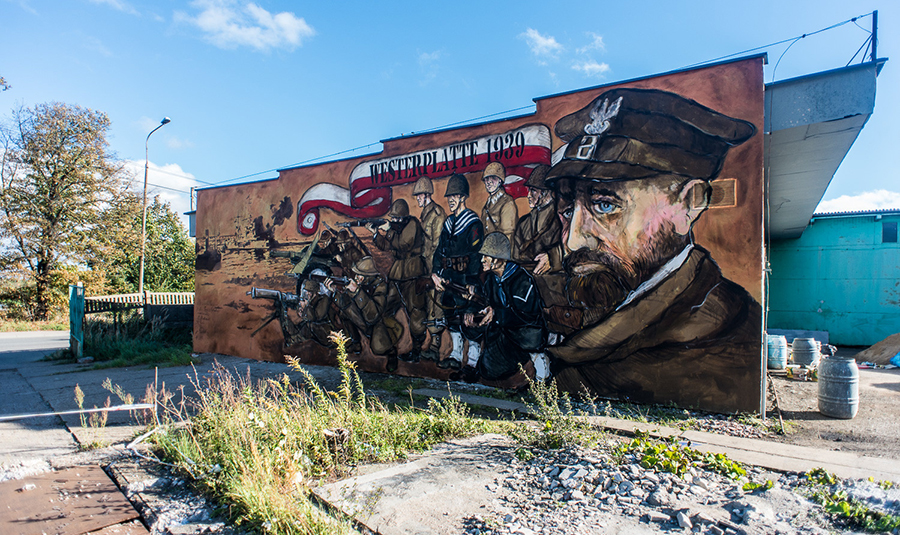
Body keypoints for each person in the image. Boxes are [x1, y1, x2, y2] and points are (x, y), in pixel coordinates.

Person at [544, 87, 762, 413]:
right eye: (567, 211)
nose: (573, 241)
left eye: (605, 204)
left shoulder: (720, 341)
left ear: (686, 204)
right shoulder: (613, 296)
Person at [460, 232, 549, 383]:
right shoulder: (490, 279)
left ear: (498, 259)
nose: (482, 260)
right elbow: (485, 302)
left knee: (530, 344)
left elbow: (526, 316)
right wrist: (473, 314)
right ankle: (472, 364)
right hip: (503, 332)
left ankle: (541, 372)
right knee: (488, 370)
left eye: (486, 256)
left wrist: (496, 314)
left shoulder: (522, 280)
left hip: (525, 333)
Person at [431, 174, 485, 371]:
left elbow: (476, 253)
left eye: (454, 196)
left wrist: (472, 281)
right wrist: (435, 273)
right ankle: (455, 354)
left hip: (466, 277)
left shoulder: (473, 223)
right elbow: (439, 250)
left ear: (463, 197)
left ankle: (472, 360)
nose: (450, 200)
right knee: (451, 316)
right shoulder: (448, 223)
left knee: (469, 317)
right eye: (449, 196)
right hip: (449, 277)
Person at [368, 199, 428, 362]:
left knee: (415, 312)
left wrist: (388, 231)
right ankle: (389, 344)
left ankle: (416, 351)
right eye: (392, 219)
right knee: (386, 308)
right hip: (397, 273)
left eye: (395, 218)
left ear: (403, 217)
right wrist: (375, 233)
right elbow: (387, 246)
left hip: (413, 272)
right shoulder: (396, 229)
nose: (393, 221)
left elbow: (403, 244)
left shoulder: (413, 225)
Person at [328, 256, 403, 372]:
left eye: (360, 275)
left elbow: (373, 316)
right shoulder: (362, 284)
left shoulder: (381, 286)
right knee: (345, 313)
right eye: (356, 274)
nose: (357, 278)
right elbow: (344, 304)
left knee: (379, 348)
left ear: (369, 276)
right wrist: (335, 292)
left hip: (381, 322)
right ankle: (356, 343)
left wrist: (357, 292)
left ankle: (391, 352)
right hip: (365, 319)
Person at [413, 176, 447, 361]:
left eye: (419, 195)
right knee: (428, 302)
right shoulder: (426, 212)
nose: (417, 199)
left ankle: (435, 343)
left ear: (427, 195)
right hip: (425, 266)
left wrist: (435, 271)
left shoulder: (436, 213)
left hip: (434, 267)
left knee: (436, 303)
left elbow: (437, 244)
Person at [511, 164, 563, 275]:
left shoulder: (561, 218)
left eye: (533, 190)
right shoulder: (523, 223)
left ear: (546, 192)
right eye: (529, 190)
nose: (528, 195)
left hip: (554, 281)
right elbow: (515, 256)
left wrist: (553, 257)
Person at [480, 162, 518, 240]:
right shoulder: (487, 205)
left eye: (493, 177)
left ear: (500, 180)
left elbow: (508, 236)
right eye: (486, 179)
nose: (489, 182)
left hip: (502, 249)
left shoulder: (507, 203)